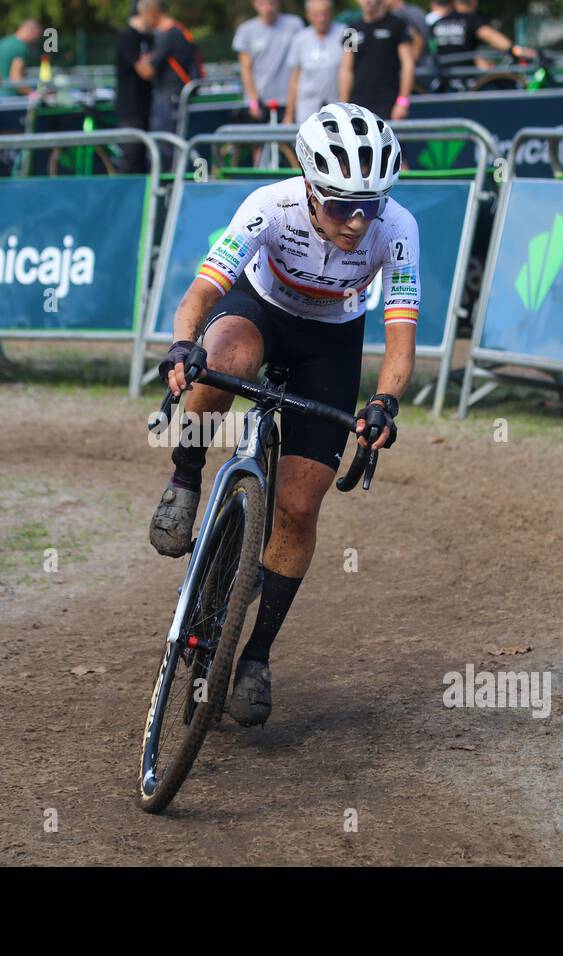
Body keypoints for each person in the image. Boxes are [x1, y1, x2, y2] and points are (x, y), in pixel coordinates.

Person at [150, 102, 419, 726]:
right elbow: (202, 291)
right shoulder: (270, 206)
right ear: (309, 186)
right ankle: (185, 478)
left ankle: (255, 657)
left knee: (300, 505)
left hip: (331, 341)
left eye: (370, 206)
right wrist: (185, 343)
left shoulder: (397, 227)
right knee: (225, 359)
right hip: (261, 311)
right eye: (342, 206)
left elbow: (401, 334)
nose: (357, 222)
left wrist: (384, 402)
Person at [134, 1, 203, 147]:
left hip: (169, 99)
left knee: (164, 147)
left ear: (151, 12)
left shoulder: (166, 34)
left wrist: (131, 53)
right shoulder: (178, 30)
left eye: (142, 14)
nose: (142, 19)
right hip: (175, 96)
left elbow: (147, 72)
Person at [338, 0, 418, 121]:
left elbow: (408, 65)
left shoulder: (397, 25)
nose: (368, 2)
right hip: (358, 106)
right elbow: (346, 69)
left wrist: (402, 102)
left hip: (389, 104)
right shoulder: (352, 30)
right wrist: (344, 106)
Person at [234, 0, 304, 122]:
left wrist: (291, 108)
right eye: (262, 4)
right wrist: (254, 102)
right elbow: (245, 69)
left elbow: (299, 65)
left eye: (271, 3)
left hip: (288, 101)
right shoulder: (246, 30)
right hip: (259, 102)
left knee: (286, 139)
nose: (267, 8)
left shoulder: (295, 25)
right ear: (254, 4)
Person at [285, 0, 347, 125]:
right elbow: (294, 79)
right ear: (308, 15)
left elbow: (352, 69)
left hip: (338, 106)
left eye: (325, 13)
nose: (321, 19)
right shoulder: (299, 39)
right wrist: (289, 114)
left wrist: (346, 106)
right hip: (307, 108)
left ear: (332, 13)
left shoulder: (348, 32)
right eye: (316, 14)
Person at [429, 0, 533, 71]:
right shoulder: (471, 21)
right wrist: (520, 51)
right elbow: (496, 39)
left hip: (442, 83)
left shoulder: (437, 24)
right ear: (474, 2)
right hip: (466, 83)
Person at [115, 2, 155, 174]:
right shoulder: (127, 36)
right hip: (130, 110)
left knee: (143, 161)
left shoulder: (150, 37)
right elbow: (145, 71)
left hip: (148, 107)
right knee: (130, 158)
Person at [0, 19, 41, 96]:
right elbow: (16, 78)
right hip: (11, 97)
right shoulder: (21, 47)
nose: (35, 39)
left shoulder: (2, 41)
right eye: (36, 35)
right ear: (30, 31)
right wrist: (32, 94)